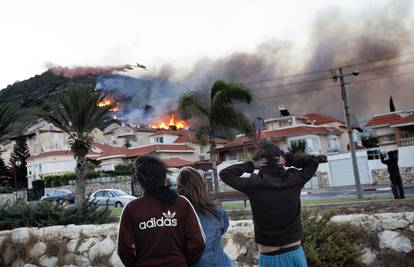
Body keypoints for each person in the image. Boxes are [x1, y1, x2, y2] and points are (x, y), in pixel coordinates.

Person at [220, 140, 326, 267]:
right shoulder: (294, 179)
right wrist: (288, 159)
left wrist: (251, 165)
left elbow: (225, 174)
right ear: (280, 160)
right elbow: (312, 162)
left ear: (260, 162)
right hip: (295, 252)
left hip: (269, 255)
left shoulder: (254, 184)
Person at [117, 155, 206, 267]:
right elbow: (198, 242)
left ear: (139, 179)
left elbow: (124, 250)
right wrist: (183, 261)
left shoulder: (132, 209)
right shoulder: (181, 203)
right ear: (163, 176)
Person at [177, 166, 234, 267]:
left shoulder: (177, 216)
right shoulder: (217, 210)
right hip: (220, 263)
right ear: (203, 185)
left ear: (179, 188)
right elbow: (223, 229)